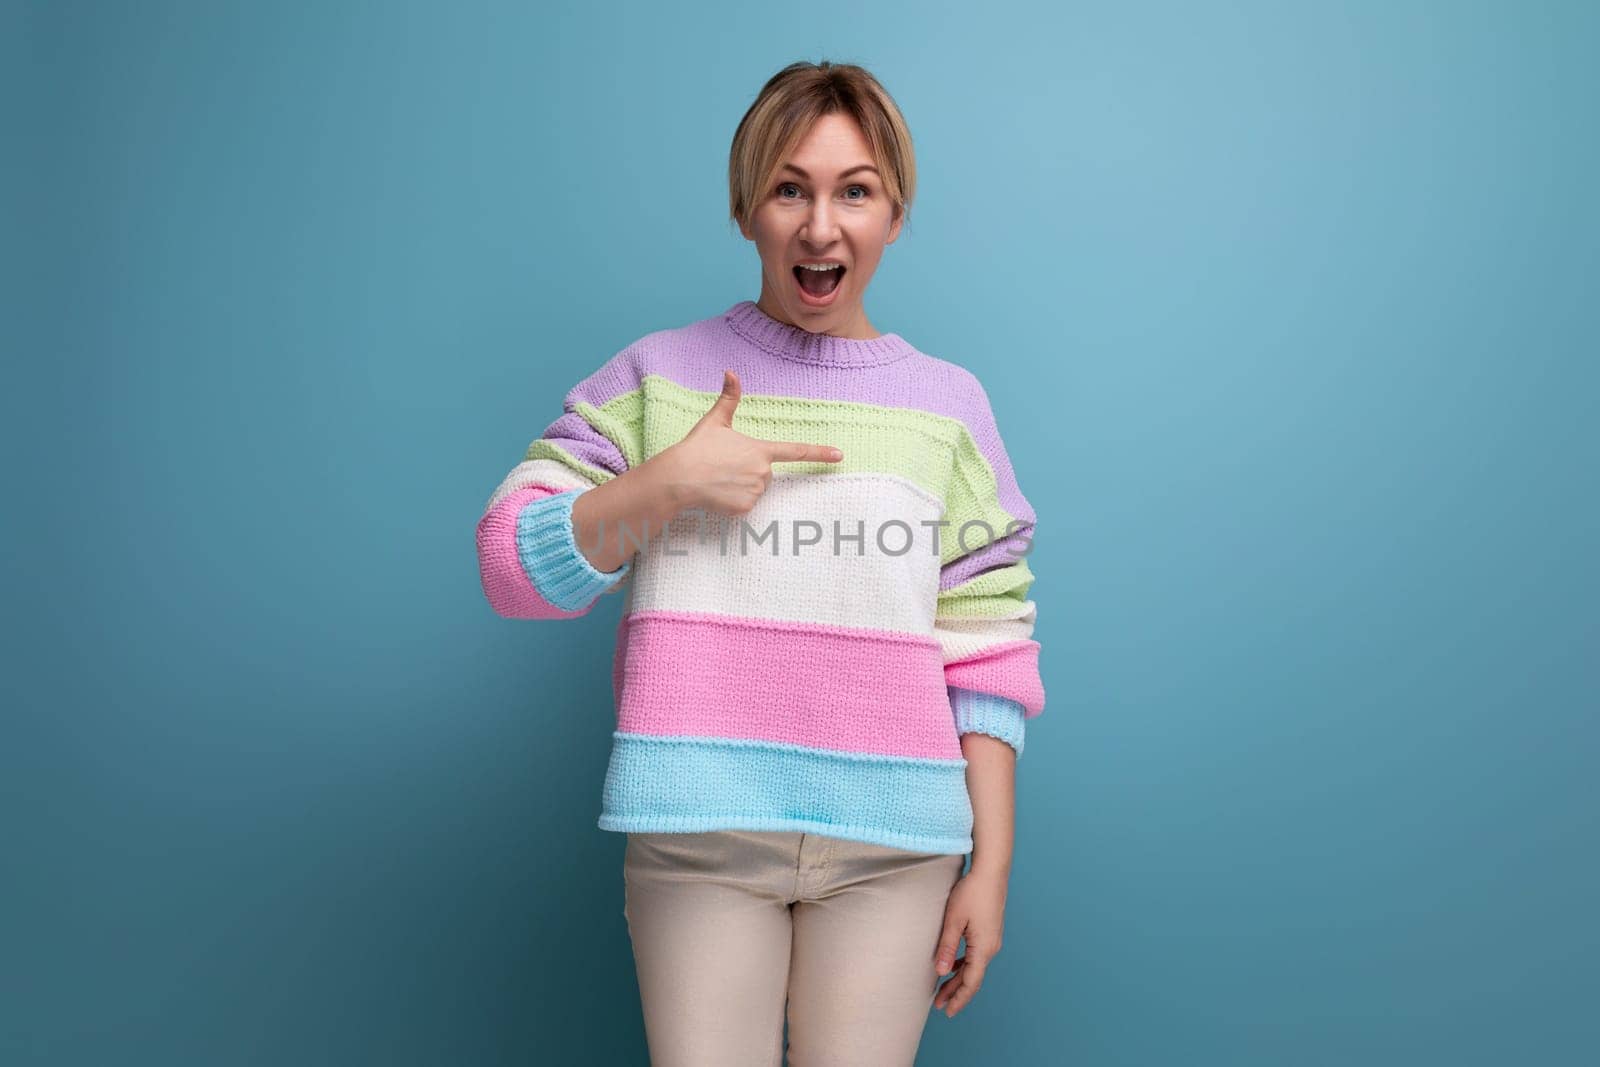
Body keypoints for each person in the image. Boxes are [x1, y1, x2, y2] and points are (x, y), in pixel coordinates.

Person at [476, 59, 1045, 1066]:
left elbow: (989, 648)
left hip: (895, 846)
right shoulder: (657, 378)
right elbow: (510, 570)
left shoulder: (949, 406)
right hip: (700, 834)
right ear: (746, 209)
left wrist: (989, 865)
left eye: (854, 190)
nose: (820, 226)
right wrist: (667, 482)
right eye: (791, 188)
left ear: (895, 214)